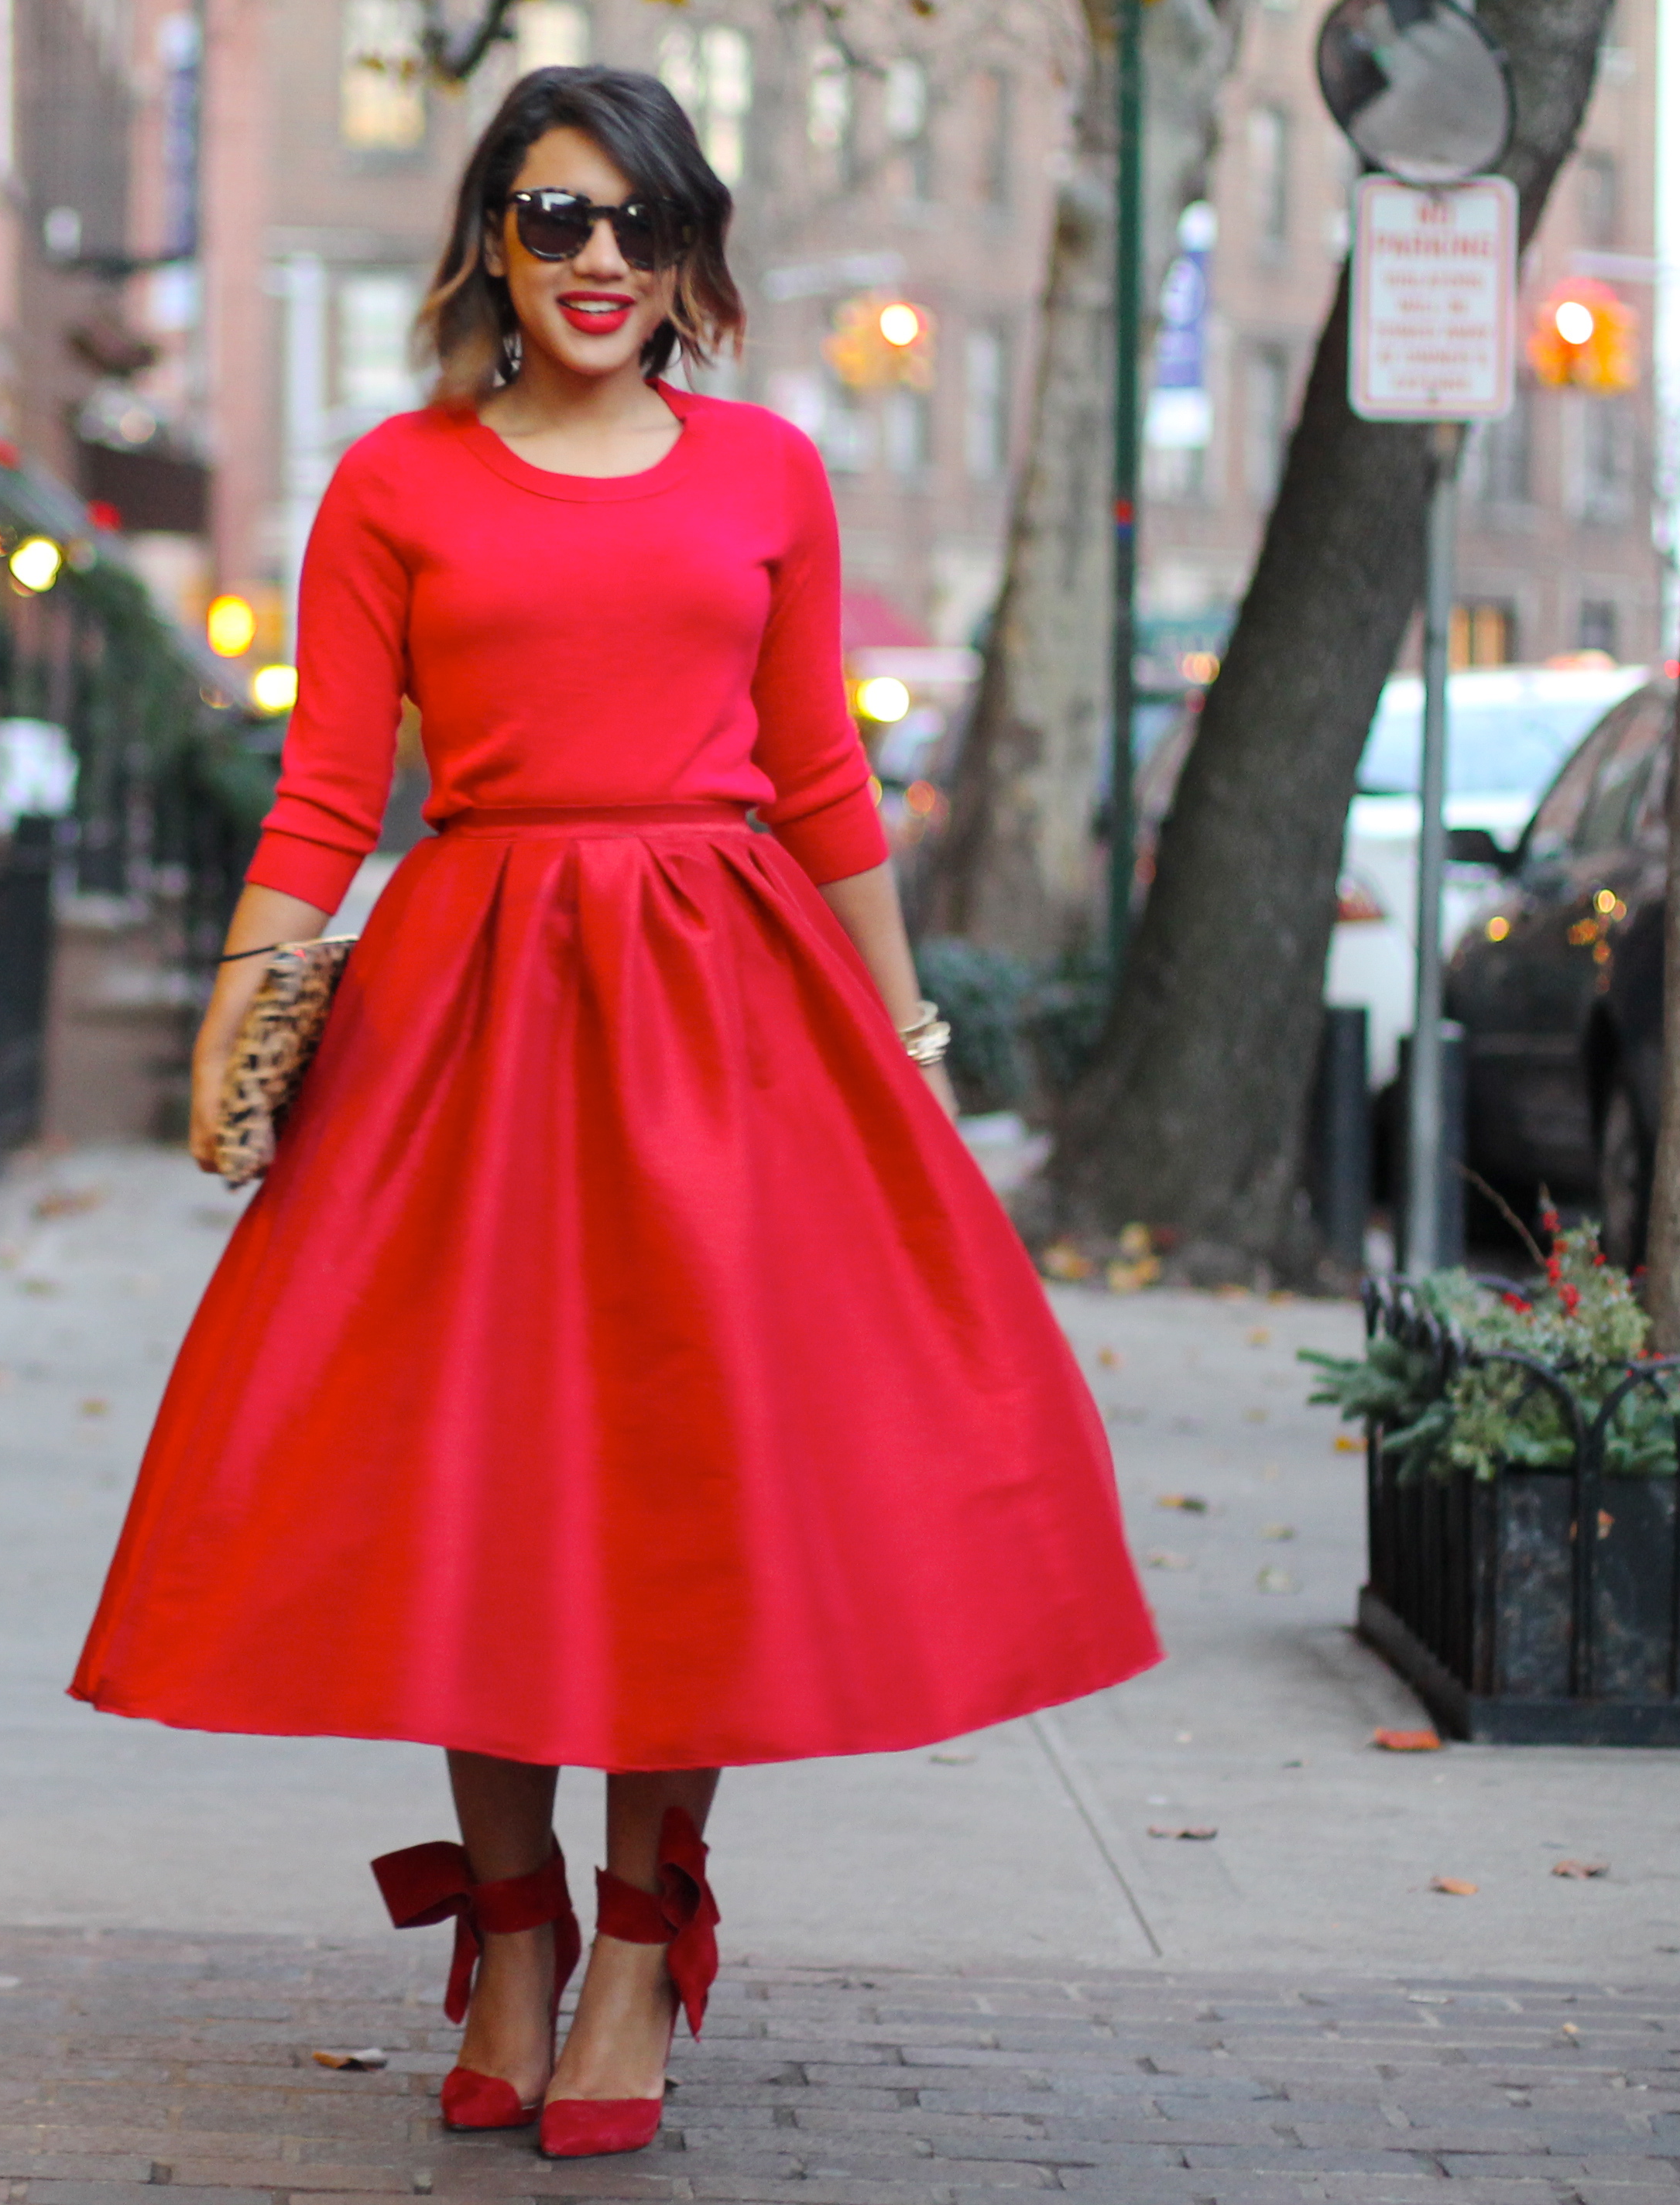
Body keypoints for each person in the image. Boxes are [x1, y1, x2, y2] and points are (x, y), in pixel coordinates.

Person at [69, 64, 1156, 2162]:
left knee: (689, 1476)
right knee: (490, 1477)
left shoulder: (767, 472)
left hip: (726, 1003)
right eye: (556, 219)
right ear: (489, 237)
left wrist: (908, 1036)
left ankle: (646, 1936)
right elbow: (327, 792)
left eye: (639, 225)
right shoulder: (395, 484)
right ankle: (514, 1927)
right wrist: (241, 990)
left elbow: (820, 768)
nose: (598, 262)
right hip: (470, 1010)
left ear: (691, 256)